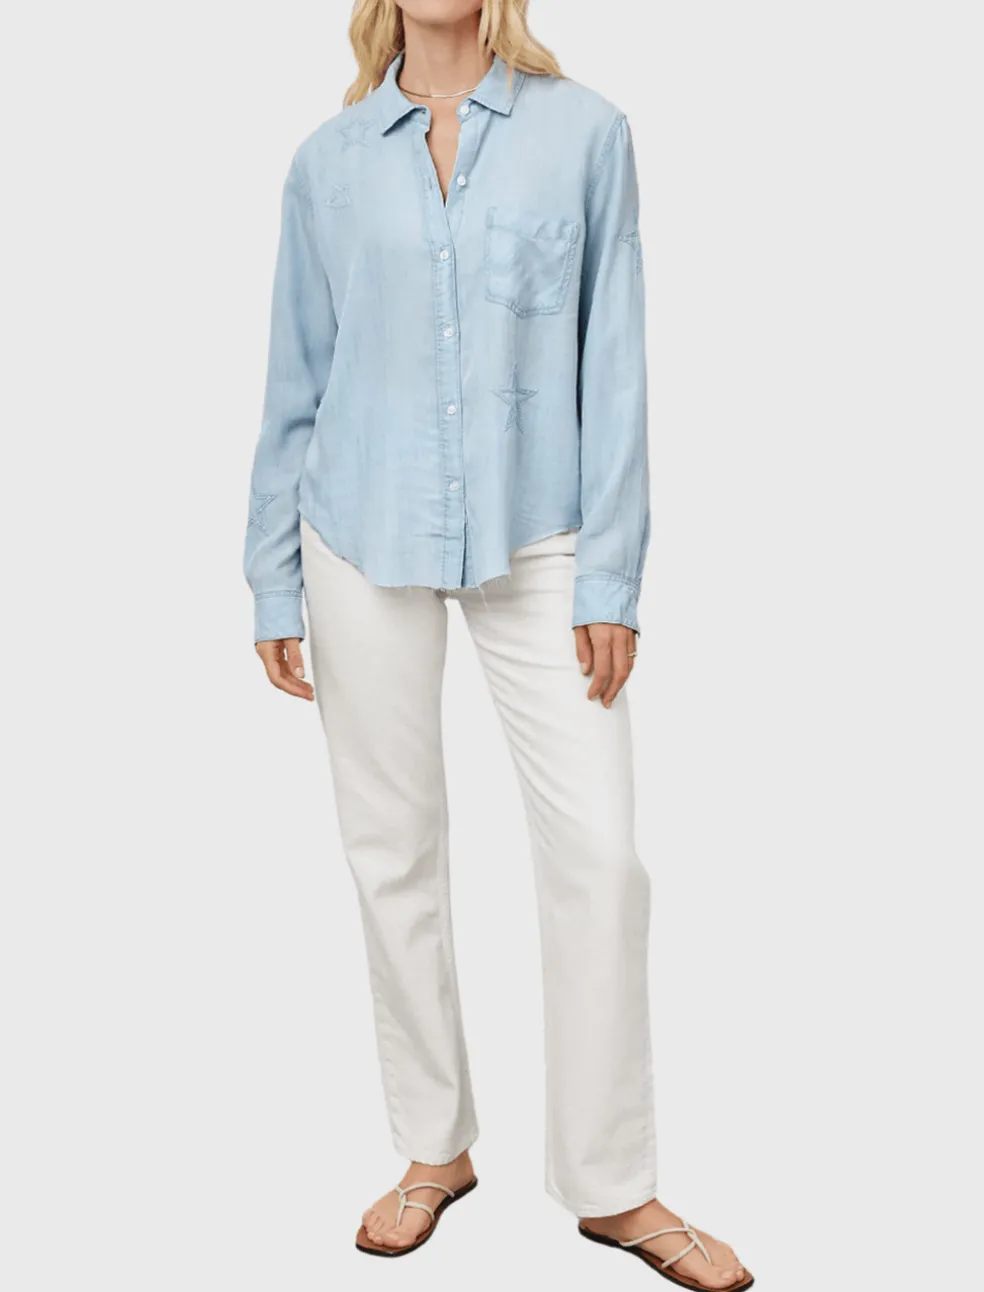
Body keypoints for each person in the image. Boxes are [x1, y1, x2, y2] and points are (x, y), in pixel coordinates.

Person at [244, 1, 750, 1286]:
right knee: (392, 847)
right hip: (356, 526)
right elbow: (296, 376)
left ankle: (613, 1183)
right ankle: (433, 1146)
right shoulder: (327, 160)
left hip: (545, 532)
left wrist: (613, 573)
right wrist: (270, 578)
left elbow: (614, 359)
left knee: (602, 857)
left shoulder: (587, 133)